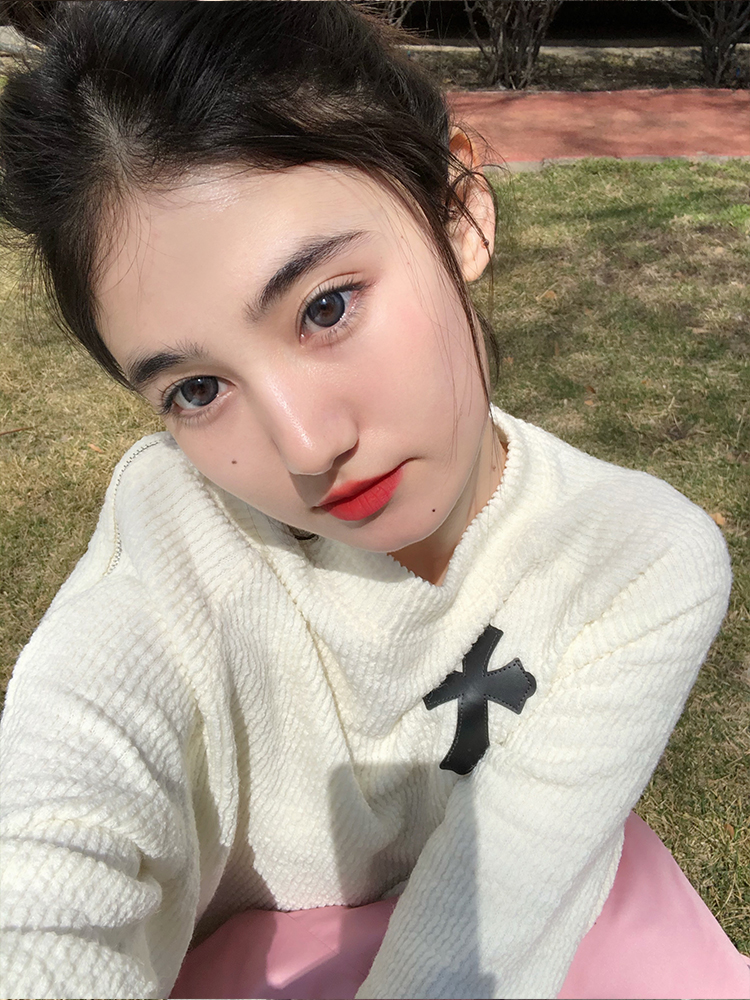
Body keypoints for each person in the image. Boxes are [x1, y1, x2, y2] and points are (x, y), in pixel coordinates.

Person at [0, 4, 747, 1000]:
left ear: (458, 212)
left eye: (326, 306)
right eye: (198, 389)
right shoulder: (175, 537)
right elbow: (44, 866)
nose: (307, 446)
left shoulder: (634, 562)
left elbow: (479, 935)